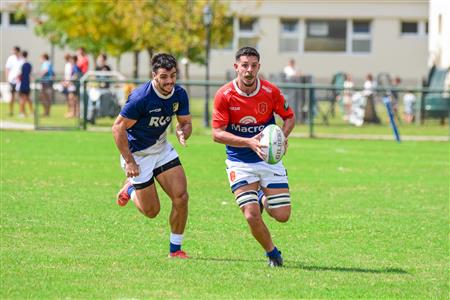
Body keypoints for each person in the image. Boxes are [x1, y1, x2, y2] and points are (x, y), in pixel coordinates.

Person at [212, 47, 295, 267]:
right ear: (236, 67)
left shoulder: (270, 91)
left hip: (268, 160)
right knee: (251, 215)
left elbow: (289, 117)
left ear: (259, 66)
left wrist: (281, 137)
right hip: (239, 162)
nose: (249, 70)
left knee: (282, 215)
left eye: (254, 65)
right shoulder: (225, 95)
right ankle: (273, 254)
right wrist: (249, 142)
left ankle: (260, 196)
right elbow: (217, 134)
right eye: (245, 65)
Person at [112, 53, 192, 259]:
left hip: (162, 149)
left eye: (173, 75)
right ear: (154, 75)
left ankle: (176, 250)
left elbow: (185, 122)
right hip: (138, 155)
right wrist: (129, 161)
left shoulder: (179, 94)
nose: (170, 81)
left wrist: (184, 131)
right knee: (152, 211)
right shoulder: (141, 98)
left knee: (181, 197)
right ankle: (130, 189)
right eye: (164, 76)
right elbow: (118, 128)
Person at [4, 46, 22, 116]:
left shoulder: (21, 59)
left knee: (20, 96)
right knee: (12, 96)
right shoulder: (11, 58)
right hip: (12, 80)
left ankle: (21, 111)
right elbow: (7, 68)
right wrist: (7, 78)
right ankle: (11, 111)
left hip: (19, 80)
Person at [16, 51, 33, 118]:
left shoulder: (20, 64)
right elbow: (30, 74)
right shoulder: (29, 64)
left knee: (22, 99)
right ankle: (31, 112)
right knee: (28, 98)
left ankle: (22, 112)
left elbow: (19, 75)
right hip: (27, 83)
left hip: (22, 83)